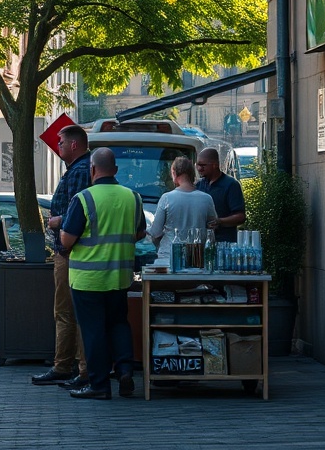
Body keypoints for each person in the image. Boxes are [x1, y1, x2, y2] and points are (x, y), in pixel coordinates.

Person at [60, 147, 146, 399]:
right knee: (119, 324)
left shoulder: (84, 199)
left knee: (94, 331)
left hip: (88, 280)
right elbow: (139, 232)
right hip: (119, 277)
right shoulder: (134, 197)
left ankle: (99, 386)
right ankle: (125, 371)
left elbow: (66, 240)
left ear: (93, 170)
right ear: (116, 170)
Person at [32, 124, 91, 389]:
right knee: (68, 312)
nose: (58, 146)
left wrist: (58, 222)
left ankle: (70, 367)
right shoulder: (78, 169)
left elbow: (77, 213)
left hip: (69, 252)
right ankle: (69, 366)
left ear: (75, 145)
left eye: (62, 142)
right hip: (70, 252)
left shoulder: (79, 171)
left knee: (68, 313)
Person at [148, 156, 217, 260]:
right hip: (197, 257)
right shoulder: (207, 199)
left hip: (169, 256)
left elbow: (155, 232)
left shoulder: (167, 198)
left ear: (174, 173)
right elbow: (212, 226)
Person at [196, 147, 246, 242]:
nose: (199, 169)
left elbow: (241, 217)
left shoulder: (231, 185)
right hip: (202, 243)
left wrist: (220, 221)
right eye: (197, 165)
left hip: (224, 243)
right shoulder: (198, 185)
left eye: (203, 165)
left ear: (215, 165)